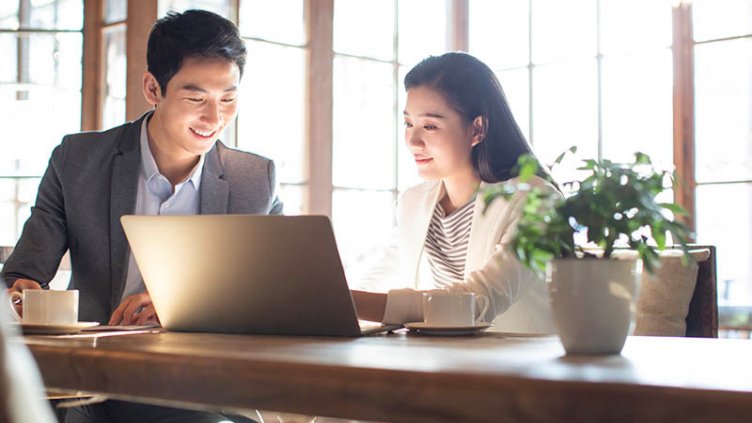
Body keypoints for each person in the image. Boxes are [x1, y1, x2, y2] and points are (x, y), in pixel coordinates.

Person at [2, 9, 279, 422]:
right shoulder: (77, 161)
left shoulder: (255, 178)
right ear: (153, 87)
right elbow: (20, 274)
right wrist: (19, 293)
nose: (214, 118)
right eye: (196, 98)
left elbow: (270, 297)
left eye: (228, 99)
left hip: (198, 387)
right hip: (90, 386)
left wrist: (178, 305)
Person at [351, 52, 555, 334]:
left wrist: (351, 302)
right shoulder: (414, 202)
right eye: (409, 123)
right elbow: (381, 275)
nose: (413, 141)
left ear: (477, 129)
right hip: (445, 362)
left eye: (430, 126)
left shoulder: (536, 200)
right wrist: (334, 301)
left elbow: (477, 301)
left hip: (522, 367)